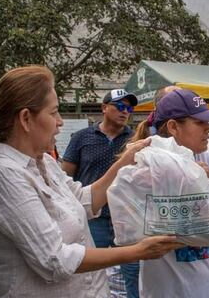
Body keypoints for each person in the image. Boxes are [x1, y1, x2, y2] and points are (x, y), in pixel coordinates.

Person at [0, 66, 182, 298]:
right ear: (26, 119)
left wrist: (126, 161)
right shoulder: (2, 175)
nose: (60, 122)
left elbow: (83, 200)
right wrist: (137, 251)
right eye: (54, 112)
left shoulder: (43, 162)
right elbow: (54, 259)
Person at [131, 88, 209, 298]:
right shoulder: (148, 164)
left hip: (208, 286)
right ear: (173, 127)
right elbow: (133, 228)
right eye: (199, 122)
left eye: (208, 121)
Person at [61, 88, 139, 297]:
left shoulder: (134, 140)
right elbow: (65, 176)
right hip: (93, 217)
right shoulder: (81, 137)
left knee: (133, 272)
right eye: (120, 106)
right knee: (90, 274)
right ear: (104, 108)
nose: (125, 111)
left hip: (126, 217)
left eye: (129, 108)